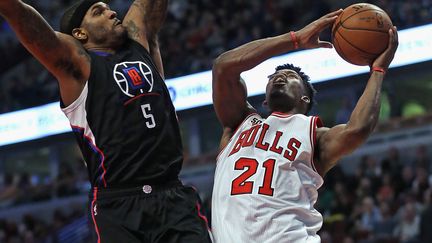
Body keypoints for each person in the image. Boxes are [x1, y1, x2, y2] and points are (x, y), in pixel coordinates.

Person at [0, 0, 212, 242]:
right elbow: (25, 20)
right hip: (118, 205)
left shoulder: (138, 41)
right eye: (98, 12)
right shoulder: (78, 66)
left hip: (173, 194)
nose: (112, 13)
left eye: (109, 8)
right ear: (80, 33)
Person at [211, 9, 398, 243]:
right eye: (273, 76)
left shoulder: (315, 135)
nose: (279, 77)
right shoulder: (240, 122)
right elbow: (223, 67)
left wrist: (378, 71)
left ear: (305, 99)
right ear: (265, 100)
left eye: (290, 76)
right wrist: (295, 39)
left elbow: (357, 129)